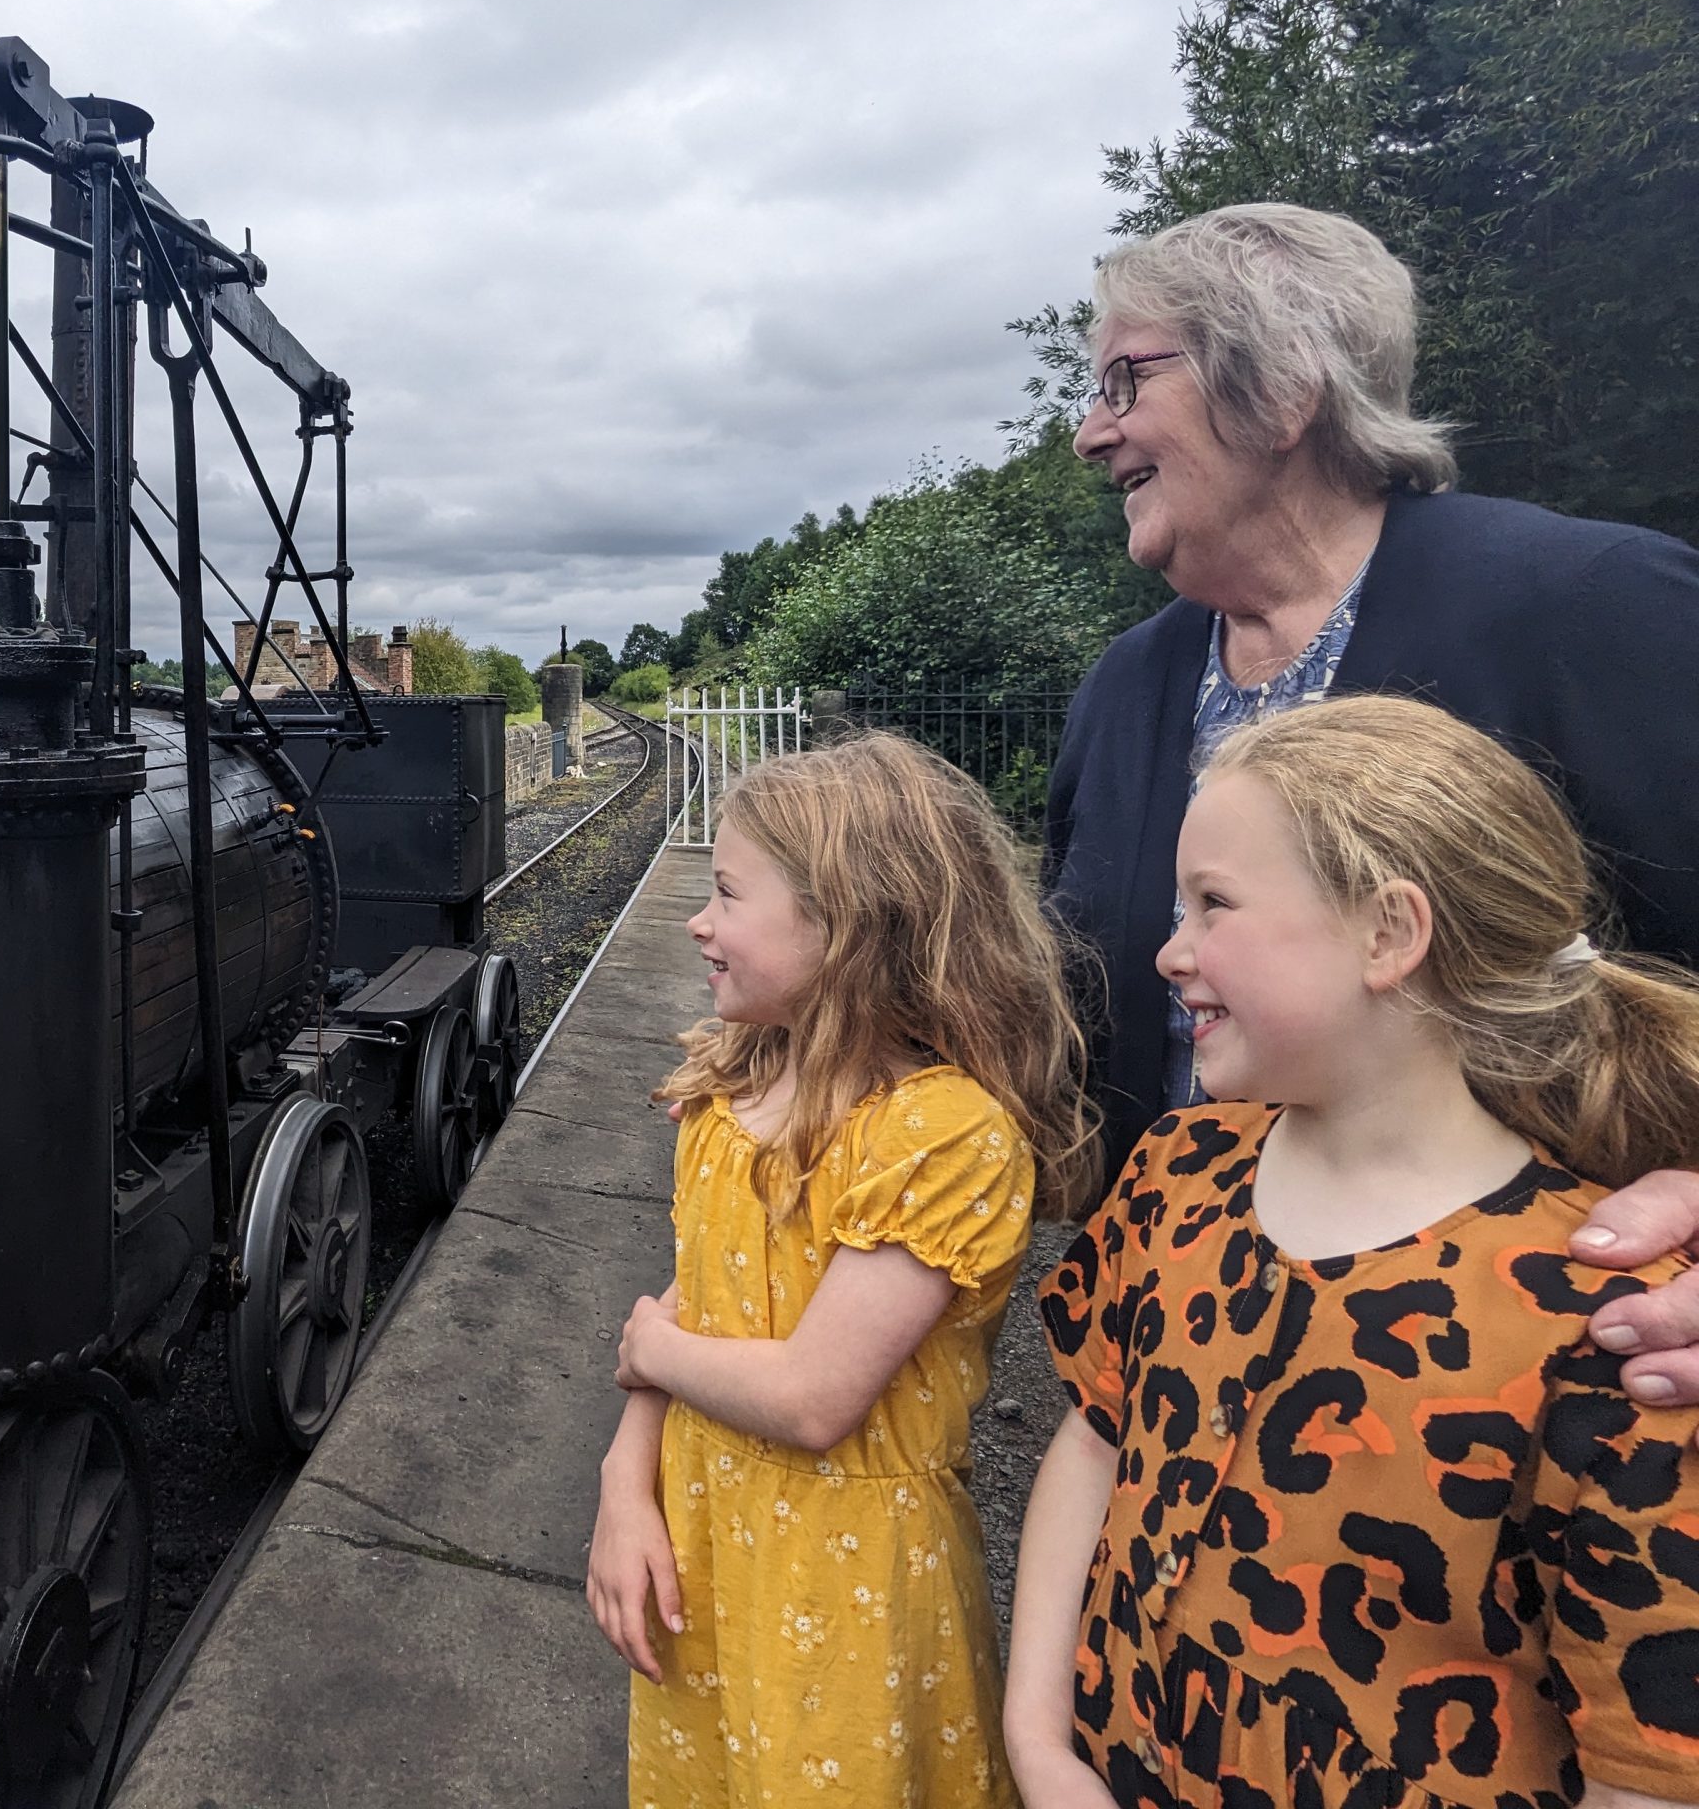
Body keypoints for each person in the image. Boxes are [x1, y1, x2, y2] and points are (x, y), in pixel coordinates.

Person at [1043, 202, 1699, 1405]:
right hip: (1187, 1387)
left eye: (1127, 379)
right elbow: (1087, 1022)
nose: (1092, 433)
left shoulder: (1593, 606)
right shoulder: (1127, 686)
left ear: (1281, 388)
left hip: (1520, 1419)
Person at [1006, 696, 1699, 1809]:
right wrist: (1041, 1746)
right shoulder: (1178, 1169)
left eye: (1213, 904)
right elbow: (1097, 1439)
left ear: (1388, 934)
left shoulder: (1610, 1321)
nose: (1170, 952)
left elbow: (1646, 1764)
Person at [587, 734, 1100, 1807]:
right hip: (705, 1550)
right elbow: (706, 1301)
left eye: (728, 895)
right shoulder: (739, 1085)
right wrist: (622, 1488)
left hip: (847, 1582)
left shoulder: (942, 1134)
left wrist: (652, 1352)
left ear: (848, 924)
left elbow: (813, 1398)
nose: (699, 922)